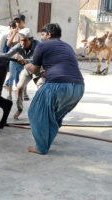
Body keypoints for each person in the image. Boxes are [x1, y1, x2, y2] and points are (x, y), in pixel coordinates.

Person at [26, 23, 84, 154]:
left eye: (42, 34)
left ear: (48, 35)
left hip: (57, 86)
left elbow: (34, 70)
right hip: (78, 87)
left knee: (35, 112)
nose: (40, 37)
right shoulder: (68, 46)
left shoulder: (42, 45)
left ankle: (41, 147)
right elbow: (64, 66)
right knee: (55, 115)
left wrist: (27, 66)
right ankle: (48, 139)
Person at [3, 28, 42, 117]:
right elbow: (8, 54)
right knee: (19, 87)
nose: (22, 43)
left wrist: (25, 60)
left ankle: (40, 111)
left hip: (38, 69)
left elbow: (37, 60)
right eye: (21, 41)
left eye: (25, 41)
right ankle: (19, 109)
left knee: (42, 90)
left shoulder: (39, 46)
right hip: (28, 69)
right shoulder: (19, 45)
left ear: (31, 39)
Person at [4, 14, 28, 101]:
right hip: (13, 58)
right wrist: (14, 33)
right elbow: (8, 44)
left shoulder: (26, 31)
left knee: (22, 78)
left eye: (19, 21)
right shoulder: (12, 31)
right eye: (16, 21)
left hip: (22, 59)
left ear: (23, 22)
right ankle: (10, 95)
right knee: (11, 76)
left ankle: (22, 95)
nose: (17, 23)